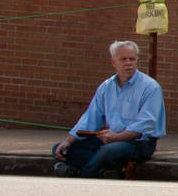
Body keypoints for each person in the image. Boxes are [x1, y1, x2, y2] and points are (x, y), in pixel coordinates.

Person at [51, 41, 165, 178]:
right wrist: (68, 140)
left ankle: (84, 174)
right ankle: (104, 171)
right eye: (123, 59)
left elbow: (145, 125)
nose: (128, 63)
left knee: (107, 151)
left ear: (137, 60)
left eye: (132, 59)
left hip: (139, 142)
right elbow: (90, 117)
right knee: (61, 148)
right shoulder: (106, 86)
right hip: (110, 138)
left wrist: (117, 137)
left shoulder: (151, 87)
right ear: (113, 62)